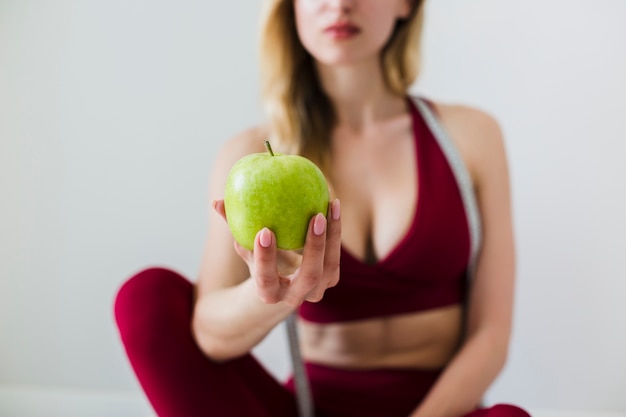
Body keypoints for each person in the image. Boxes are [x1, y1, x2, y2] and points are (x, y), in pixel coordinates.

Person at [114, 0, 532, 416]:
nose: (340, 4)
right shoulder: (246, 155)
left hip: (442, 410)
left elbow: (491, 336)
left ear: (406, 5)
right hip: (312, 407)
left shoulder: (471, 136)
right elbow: (210, 336)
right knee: (145, 299)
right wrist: (272, 294)